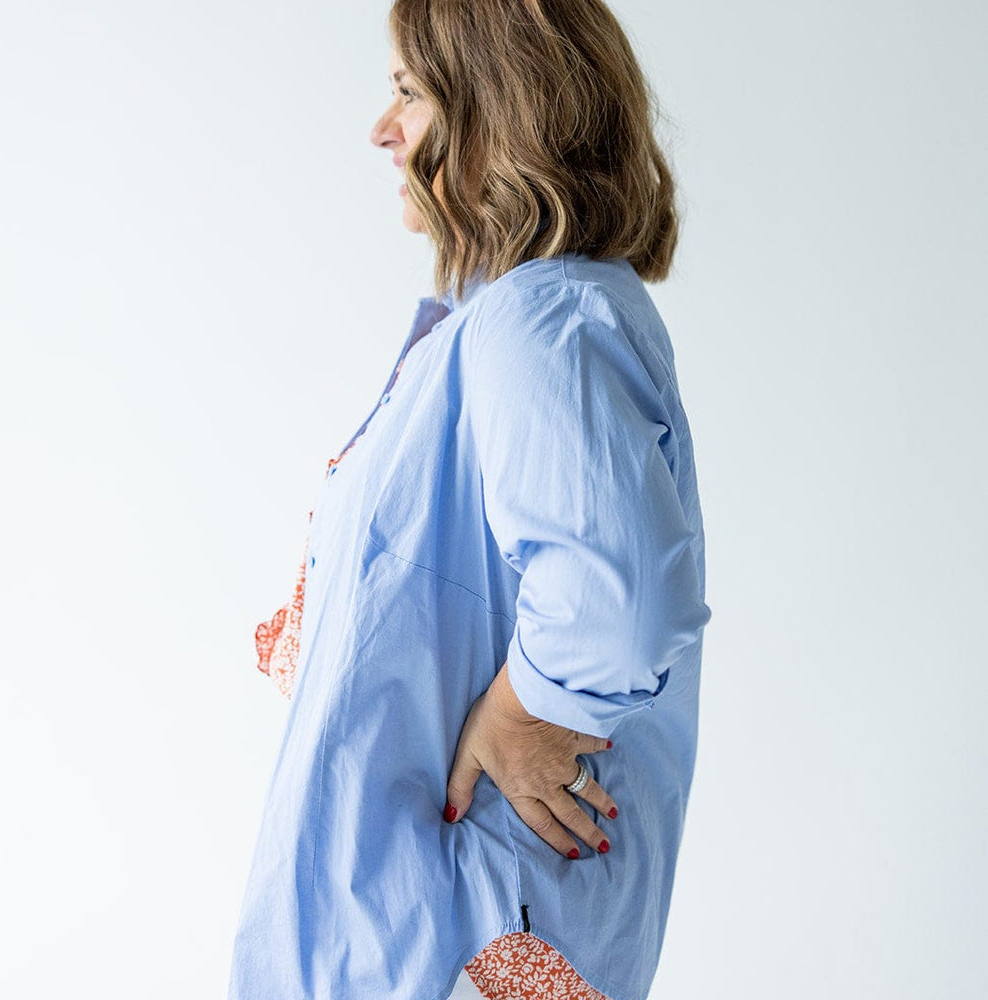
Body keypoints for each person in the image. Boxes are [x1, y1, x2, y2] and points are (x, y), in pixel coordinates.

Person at [227, 2, 713, 999]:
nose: (382, 127)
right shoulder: (521, 317)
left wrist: (518, 714)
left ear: (497, 108)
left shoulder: (538, 321)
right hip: (426, 924)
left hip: (451, 928)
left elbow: (615, 603)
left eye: (408, 91)